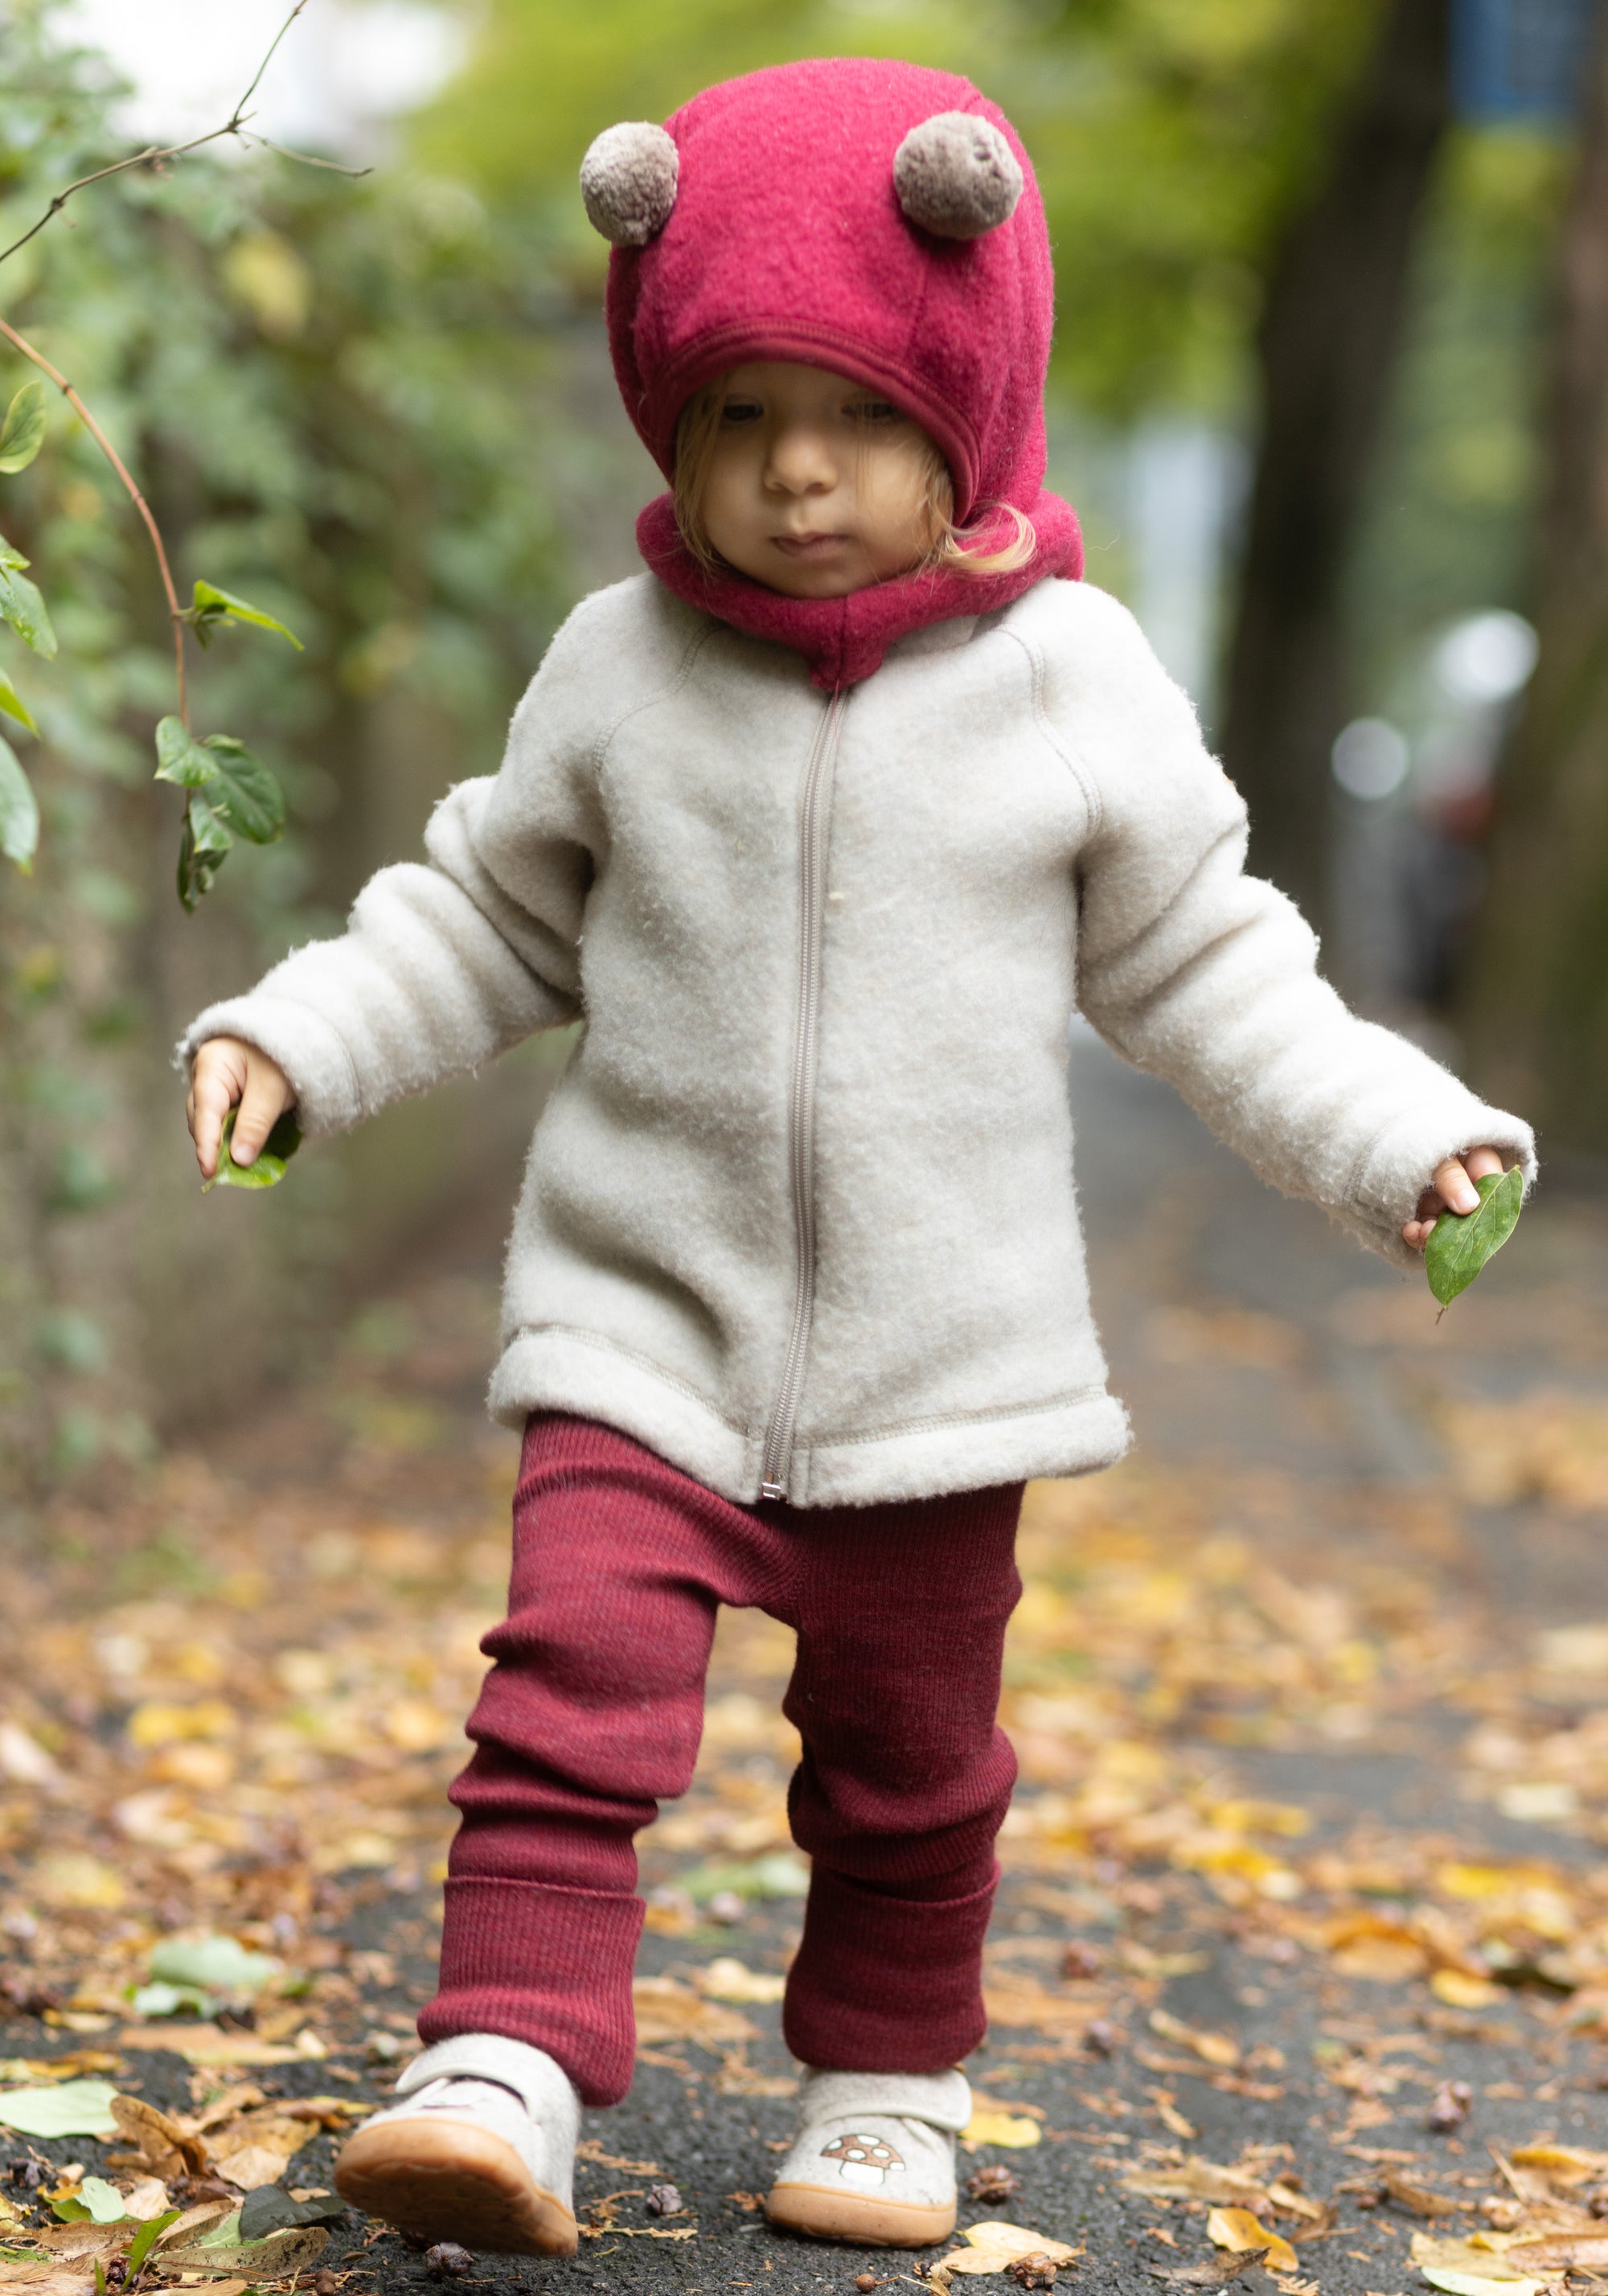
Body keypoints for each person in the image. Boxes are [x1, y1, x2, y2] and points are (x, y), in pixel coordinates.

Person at [178, 58, 1534, 2262]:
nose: (795, 468)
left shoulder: (1068, 679)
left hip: (940, 1354)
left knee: (913, 1767)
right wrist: (296, 1034)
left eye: (859, 413)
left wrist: (1400, 1133)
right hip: (640, 1310)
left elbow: (1207, 963)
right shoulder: (621, 669)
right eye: (736, 412)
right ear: (665, 416)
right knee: (566, 1691)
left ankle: (890, 2081)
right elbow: (487, 915)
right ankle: (504, 2058)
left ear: (967, 410)